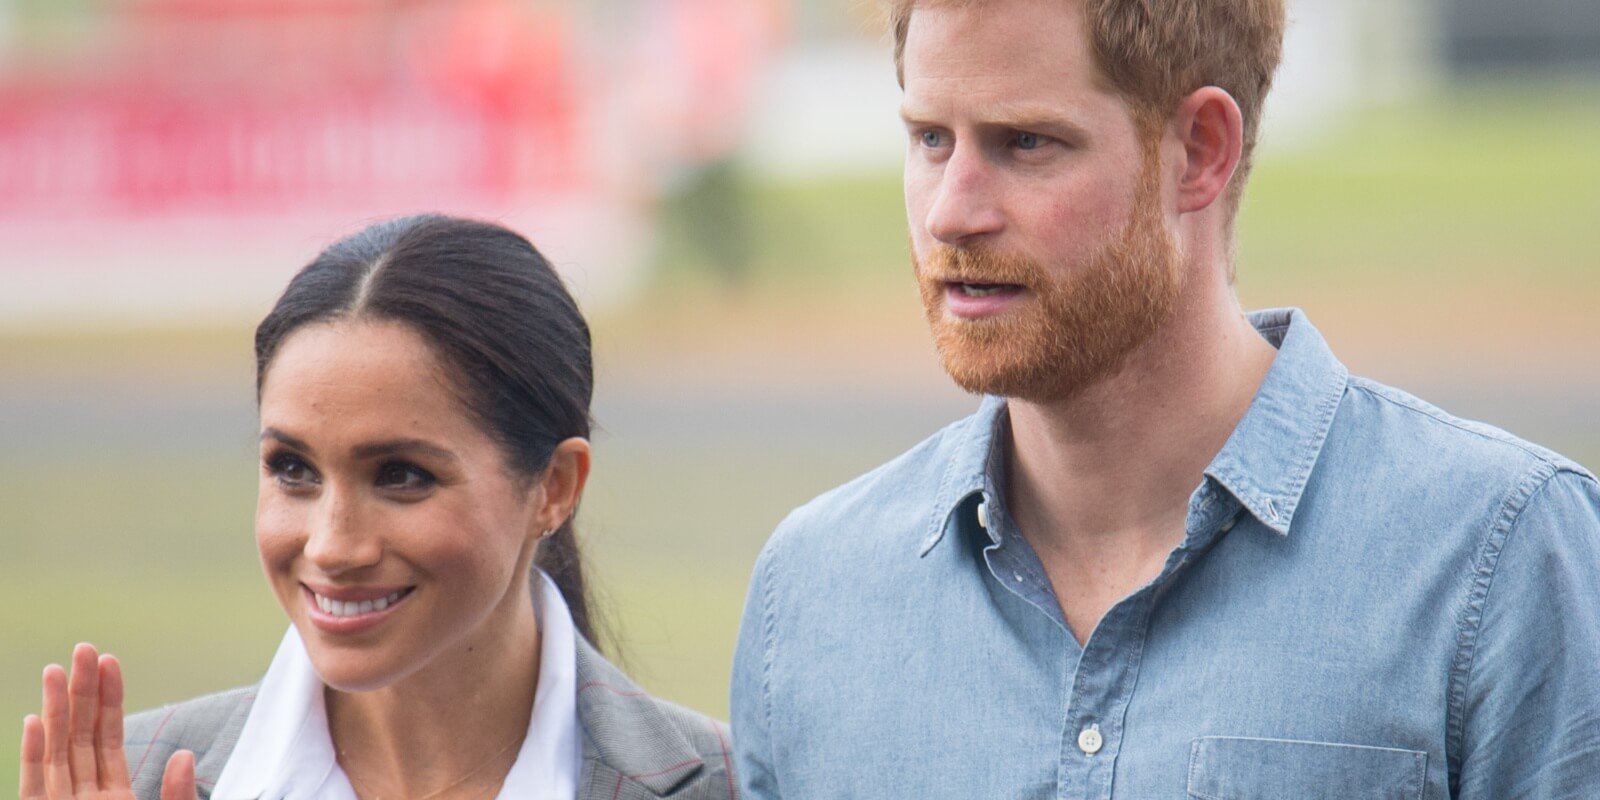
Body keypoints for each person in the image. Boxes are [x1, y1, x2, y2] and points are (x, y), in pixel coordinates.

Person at [730, 1, 1600, 798]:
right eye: (929, 139)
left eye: (1025, 142)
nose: (952, 214)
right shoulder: (810, 597)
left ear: (1201, 151)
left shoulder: (1503, 559)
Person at [20, 215, 737, 800]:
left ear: (554, 486)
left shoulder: (747, 785)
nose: (333, 546)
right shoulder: (128, 781)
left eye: (400, 475)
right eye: (292, 469)